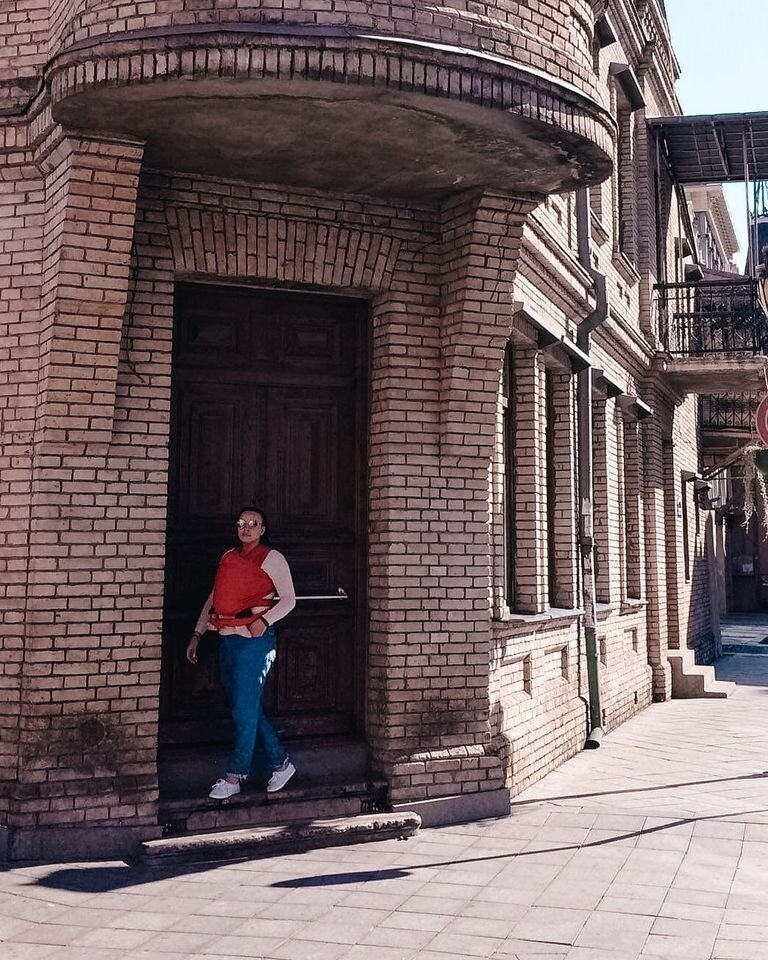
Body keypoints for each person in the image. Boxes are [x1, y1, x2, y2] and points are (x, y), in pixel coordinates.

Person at [186, 507, 297, 800]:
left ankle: (235, 776)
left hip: (253, 642)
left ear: (262, 529)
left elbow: (289, 599)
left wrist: (264, 621)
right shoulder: (228, 556)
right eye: (242, 523)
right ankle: (281, 763)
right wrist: (198, 632)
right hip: (226, 638)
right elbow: (214, 597)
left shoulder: (272, 558)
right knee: (245, 707)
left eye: (253, 524)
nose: (246, 528)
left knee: (244, 709)